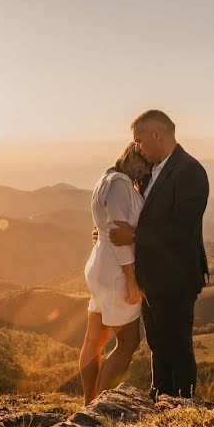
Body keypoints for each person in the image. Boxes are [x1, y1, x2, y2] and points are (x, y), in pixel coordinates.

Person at [108, 110, 209, 400]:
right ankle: (159, 396)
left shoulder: (190, 171)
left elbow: (182, 229)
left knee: (177, 343)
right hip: (151, 277)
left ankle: (182, 402)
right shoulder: (153, 172)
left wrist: (135, 237)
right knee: (157, 343)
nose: (137, 148)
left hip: (176, 277)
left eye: (139, 141)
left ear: (158, 134)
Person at [80, 143, 151, 406]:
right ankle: (98, 406)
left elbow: (106, 223)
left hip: (99, 265)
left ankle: (88, 402)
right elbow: (121, 234)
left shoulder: (105, 178)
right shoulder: (121, 184)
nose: (146, 172)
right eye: (144, 166)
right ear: (135, 161)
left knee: (94, 339)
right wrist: (131, 279)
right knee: (128, 341)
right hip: (116, 272)